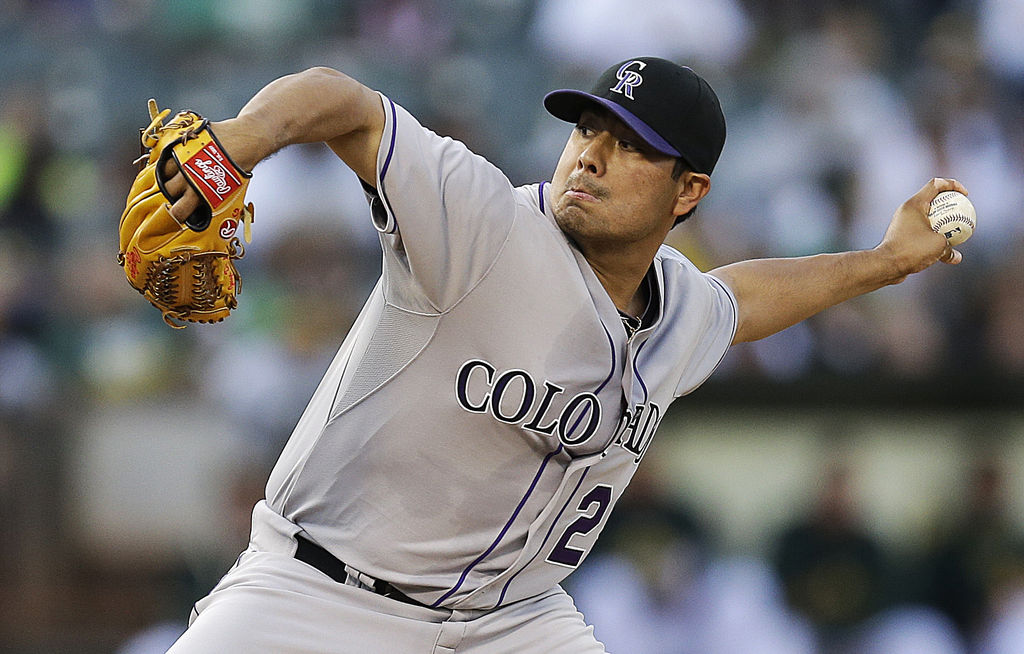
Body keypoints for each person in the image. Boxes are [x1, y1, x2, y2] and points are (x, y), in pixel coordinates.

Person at [159, 57, 966, 653]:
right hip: (321, 595)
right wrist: (237, 141)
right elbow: (349, 105)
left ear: (689, 192)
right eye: (588, 128)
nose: (589, 155)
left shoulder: (680, 308)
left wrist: (889, 260)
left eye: (630, 146)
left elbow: (745, 301)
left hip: (513, 625)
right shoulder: (482, 224)